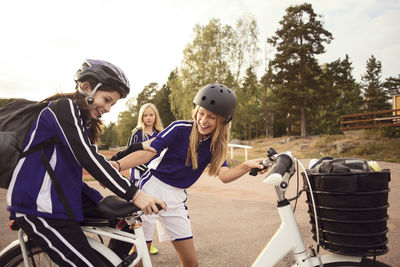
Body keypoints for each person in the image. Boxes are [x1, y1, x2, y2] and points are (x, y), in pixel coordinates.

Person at [6, 59, 166, 267]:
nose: (108, 108)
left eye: (112, 104)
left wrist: (136, 149)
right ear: (86, 87)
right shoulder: (63, 108)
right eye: (107, 100)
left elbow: (96, 158)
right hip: (39, 205)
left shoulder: (82, 121)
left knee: (127, 219)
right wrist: (136, 194)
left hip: (63, 199)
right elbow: (88, 158)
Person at [112, 83, 268, 267]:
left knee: (191, 263)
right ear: (196, 111)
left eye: (211, 117)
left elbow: (224, 176)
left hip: (177, 197)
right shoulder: (179, 128)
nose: (203, 120)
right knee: (140, 258)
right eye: (201, 113)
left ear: (223, 121)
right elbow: (149, 152)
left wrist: (246, 165)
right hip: (151, 189)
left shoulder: (216, 145)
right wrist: (116, 165)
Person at [127, 103, 163, 255]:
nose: (148, 118)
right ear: (141, 117)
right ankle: (134, 245)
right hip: (139, 174)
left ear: (155, 116)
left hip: (154, 176)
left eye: (151, 115)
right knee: (139, 211)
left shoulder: (160, 132)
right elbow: (129, 152)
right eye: (145, 115)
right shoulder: (137, 132)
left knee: (150, 210)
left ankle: (148, 242)